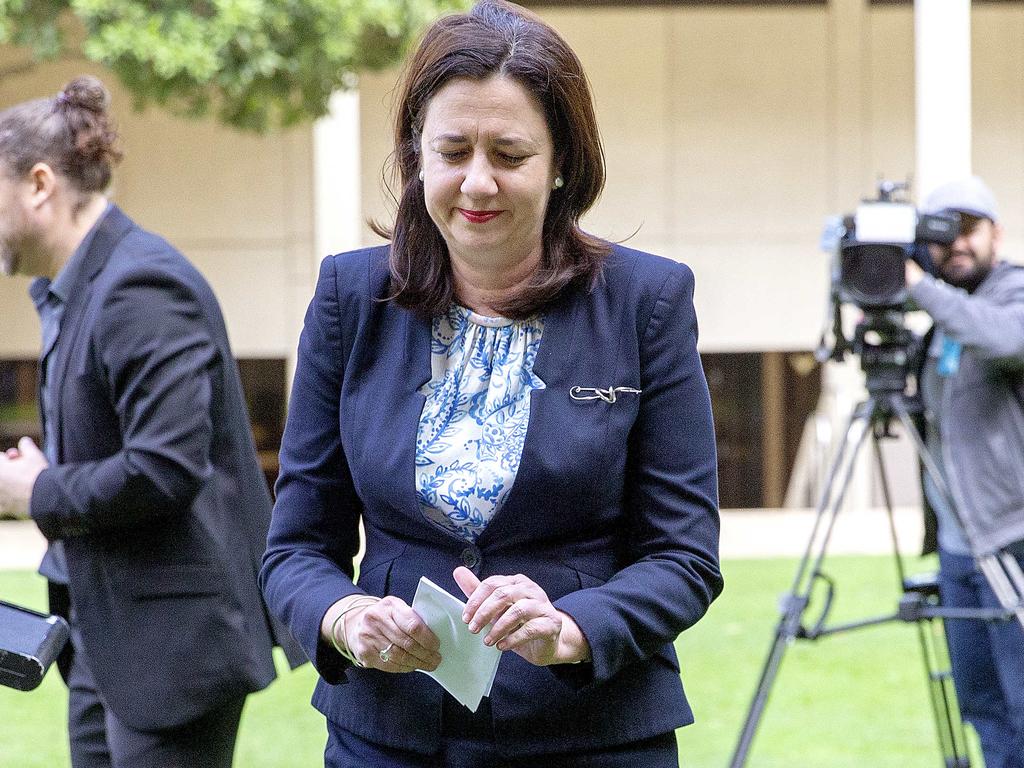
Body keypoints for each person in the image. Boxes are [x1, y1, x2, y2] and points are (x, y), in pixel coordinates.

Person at [260, 2, 723, 766]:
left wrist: (571, 628)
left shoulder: (647, 302)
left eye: (509, 153)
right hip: (390, 737)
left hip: (591, 735)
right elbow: (296, 548)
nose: (478, 182)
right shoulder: (349, 298)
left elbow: (683, 556)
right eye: (453, 150)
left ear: (562, 162)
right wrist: (344, 616)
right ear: (417, 156)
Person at [0, 76, 302, 768]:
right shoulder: (69, 292)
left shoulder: (140, 286)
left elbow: (165, 466)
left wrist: (34, 493)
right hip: (102, 644)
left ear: (40, 183)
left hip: (174, 655)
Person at [906, 175, 1024, 768]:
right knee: (980, 703)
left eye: (968, 229)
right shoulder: (944, 315)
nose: (955, 244)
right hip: (958, 550)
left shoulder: (1013, 294)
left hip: (1010, 539)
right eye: (940, 232)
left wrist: (918, 286)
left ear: (996, 234)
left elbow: (1004, 341)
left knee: (1023, 704)